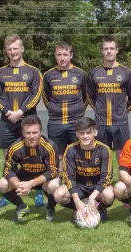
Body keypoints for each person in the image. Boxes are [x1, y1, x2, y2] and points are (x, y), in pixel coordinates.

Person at [0, 34, 44, 208]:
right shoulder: (0, 72)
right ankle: (10, 193)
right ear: (6, 52)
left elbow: (36, 95)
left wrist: (21, 111)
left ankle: (38, 192)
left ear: (22, 49)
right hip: (7, 120)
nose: (13, 52)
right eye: (9, 49)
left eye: (16, 48)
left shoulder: (33, 71)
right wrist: (9, 113)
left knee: (35, 156)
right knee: (8, 157)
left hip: (28, 119)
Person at [0, 115, 60, 223]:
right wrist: (18, 185)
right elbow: (8, 169)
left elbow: (53, 171)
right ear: (22, 133)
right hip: (25, 176)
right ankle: (22, 206)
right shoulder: (15, 147)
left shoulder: (50, 146)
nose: (32, 136)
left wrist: (31, 184)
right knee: (2, 184)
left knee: (54, 185)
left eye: (35, 132)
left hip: (44, 178)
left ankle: (50, 208)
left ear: (41, 132)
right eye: (28, 133)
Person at [54, 117, 114, 222]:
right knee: (59, 195)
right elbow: (68, 177)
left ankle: (100, 207)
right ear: (77, 134)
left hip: (97, 185)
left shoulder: (104, 149)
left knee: (108, 195)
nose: (85, 136)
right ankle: (78, 208)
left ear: (95, 133)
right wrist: (77, 201)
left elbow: (106, 177)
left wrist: (92, 197)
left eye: (88, 133)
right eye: (82, 133)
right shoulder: (70, 149)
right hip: (79, 186)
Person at [87, 35, 131, 160]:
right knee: (102, 157)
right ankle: (105, 180)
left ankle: (122, 180)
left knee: (123, 157)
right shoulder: (94, 72)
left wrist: (122, 111)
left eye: (112, 48)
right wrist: (99, 109)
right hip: (101, 122)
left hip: (121, 122)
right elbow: (90, 96)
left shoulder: (127, 73)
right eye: (106, 48)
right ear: (102, 51)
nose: (109, 51)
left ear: (117, 50)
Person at [42, 41, 89, 173]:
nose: (62, 58)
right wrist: (54, 109)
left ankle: (79, 181)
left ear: (71, 55)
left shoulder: (81, 74)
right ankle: (60, 182)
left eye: (65, 54)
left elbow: (86, 97)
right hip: (55, 122)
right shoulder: (48, 75)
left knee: (78, 153)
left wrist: (78, 111)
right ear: (55, 56)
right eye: (59, 55)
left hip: (76, 122)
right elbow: (46, 98)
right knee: (58, 155)